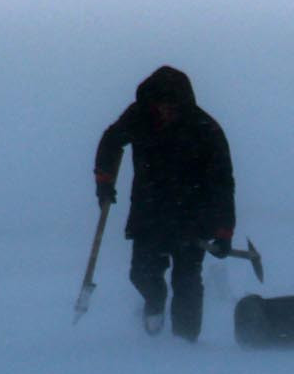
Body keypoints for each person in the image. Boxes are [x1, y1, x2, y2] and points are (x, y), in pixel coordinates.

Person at [91, 66, 238, 340]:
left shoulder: (206, 129)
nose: (166, 112)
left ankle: (185, 342)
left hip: (193, 218)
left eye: (172, 106)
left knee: (187, 281)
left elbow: (222, 183)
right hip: (149, 213)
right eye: (161, 106)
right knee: (141, 273)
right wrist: (104, 181)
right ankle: (155, 303)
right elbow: (111, 142)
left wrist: (223, 231)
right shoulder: (139, 117)